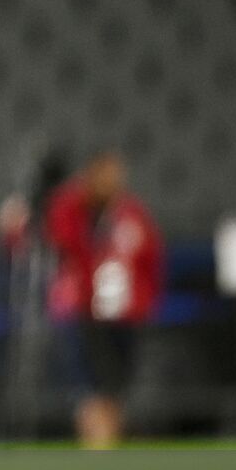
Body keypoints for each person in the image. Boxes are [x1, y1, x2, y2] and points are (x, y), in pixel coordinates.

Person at [45, 151, 163, 448]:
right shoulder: (71, 208)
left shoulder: (131, 214)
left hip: (124, 312)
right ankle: (96, 447)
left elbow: (152, 259)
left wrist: (146, 301)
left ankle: (109, 446)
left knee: (115, 385)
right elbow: (61, 243)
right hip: (81, 311)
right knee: (89, 385)